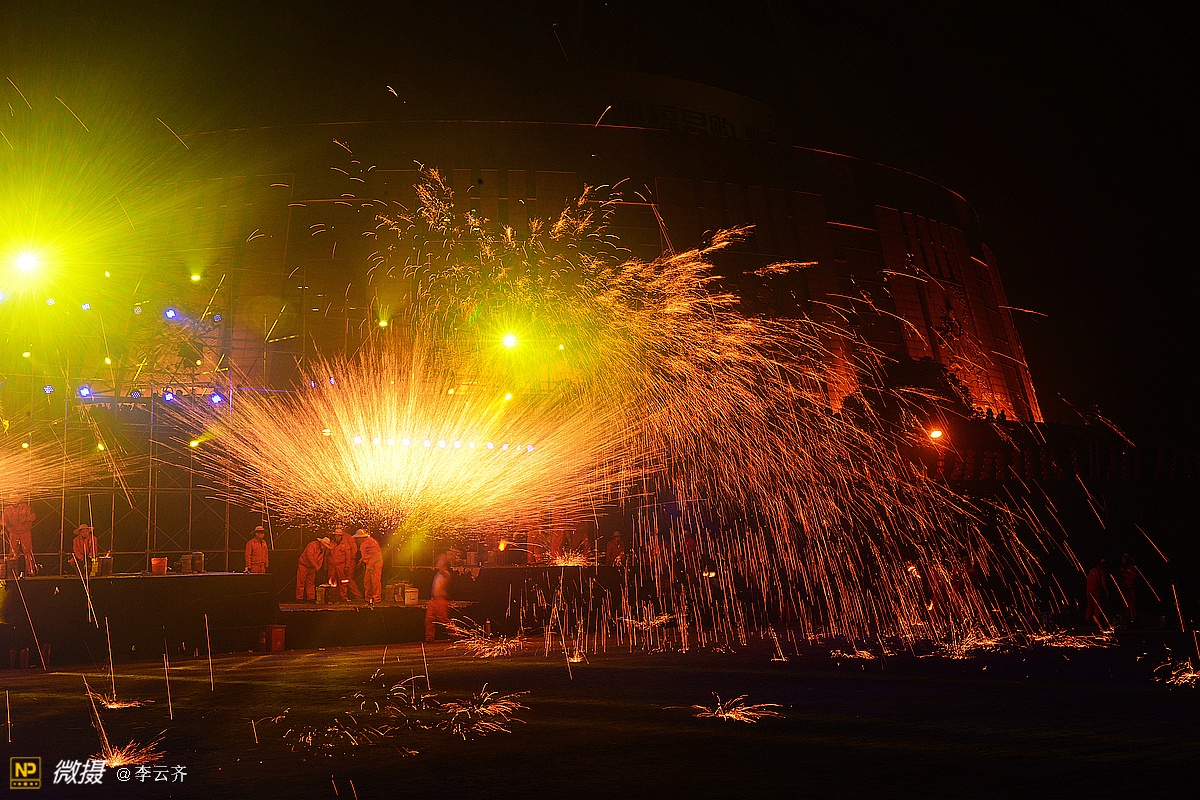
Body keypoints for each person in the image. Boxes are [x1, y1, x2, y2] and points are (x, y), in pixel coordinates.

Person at [3, 502, 37, 574]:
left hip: (25, 531)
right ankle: (12, 572)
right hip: (13, 532)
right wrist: (7, 525)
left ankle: (31, 570)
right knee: (13, 552)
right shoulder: (7, 510)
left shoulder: (25, 507)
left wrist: (25, 519)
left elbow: (33, 517)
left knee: (28, 551)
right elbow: (3, 521)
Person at [425, 552, 452, 641]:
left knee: (444, 620)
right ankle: (429, 638)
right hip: (433, 600)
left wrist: (443, 559)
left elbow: (442, 569)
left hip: (440, 601)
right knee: (429, 620)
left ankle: (456, 636)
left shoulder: (446, 574)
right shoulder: (438, 574)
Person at [296, 536, 333, 602]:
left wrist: (318, 567)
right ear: (321, 543)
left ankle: (311, 598)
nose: (325, 547)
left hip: (312, 567)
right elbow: (309, 556)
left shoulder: (322, 550)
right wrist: (316, 566)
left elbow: (321, 559)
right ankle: (299, 598)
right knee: (301, 582)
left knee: (311, 582)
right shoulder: (312, 545)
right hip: (304, 565)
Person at [355, 529, 384, 603]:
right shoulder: (366, 542)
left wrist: (370, 565)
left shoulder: (370, 543)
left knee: (375, 581)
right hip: (371, 563)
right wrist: (361, 561)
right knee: (367, 581)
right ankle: (369, 597)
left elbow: (376, 555)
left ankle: (376, 598)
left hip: (375, 563)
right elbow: (366, 555)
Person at [1084, 559, 1110, 629]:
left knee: (1090, 605)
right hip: (1097, 589)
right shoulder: (1102, 570)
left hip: (1089, 589)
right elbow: (1104, 582)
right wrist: (1107, 592)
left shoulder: (1092, 569)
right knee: (1098, 606)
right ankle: (1098, 622)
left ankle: (1087, 620)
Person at [1116, 553, 1138, 625]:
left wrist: (1124, 576)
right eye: (1123, 559)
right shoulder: (1122, 568)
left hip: (1130, 588)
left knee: (1132, 605)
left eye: (1124, 559)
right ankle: (1126, 620)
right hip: (1124, 589)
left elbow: (1133, 578)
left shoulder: (1132, 568)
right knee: (1125, 605)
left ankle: (1133, 620)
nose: (1123, 560)